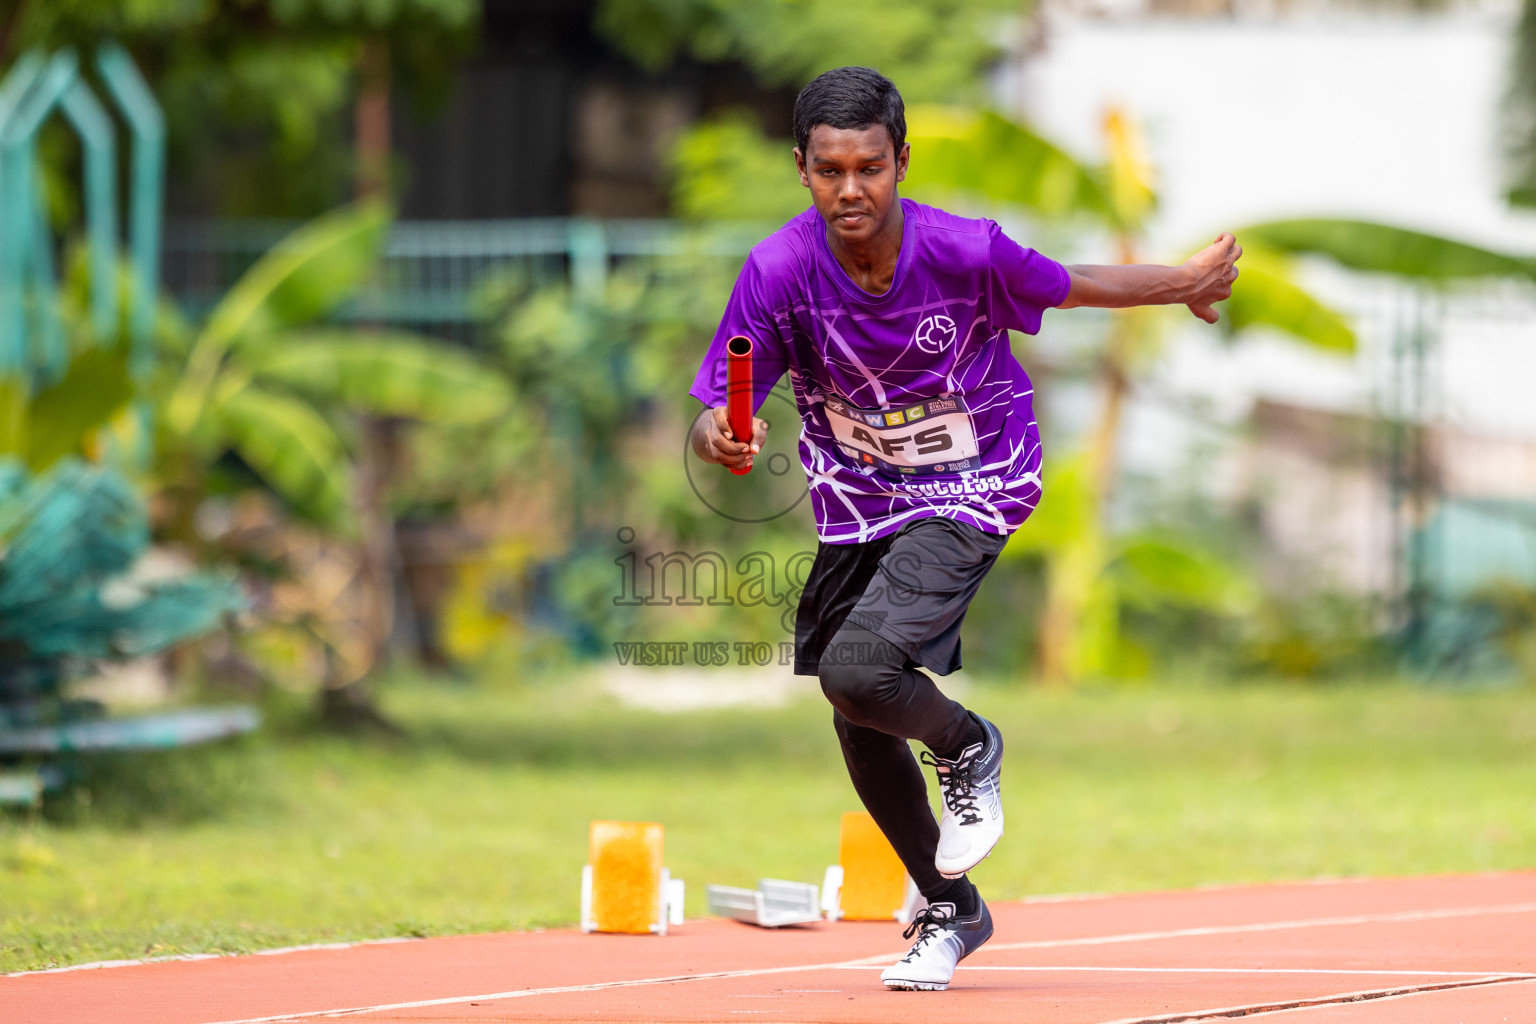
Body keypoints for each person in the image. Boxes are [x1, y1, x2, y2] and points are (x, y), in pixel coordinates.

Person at [688, 66, 1239, 991]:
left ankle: (969, 744)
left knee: (860, 670)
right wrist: (724, 436)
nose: (850, 189)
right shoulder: (779, 272)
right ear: (802, 169)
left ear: (901, 161)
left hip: (973, 483)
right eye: (830, 171)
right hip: (856, 503)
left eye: (869, 167)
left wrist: (1178, 282)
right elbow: (716, 410)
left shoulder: (964, 250)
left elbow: (1074, 284)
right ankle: (951, 909)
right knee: (854, 706)